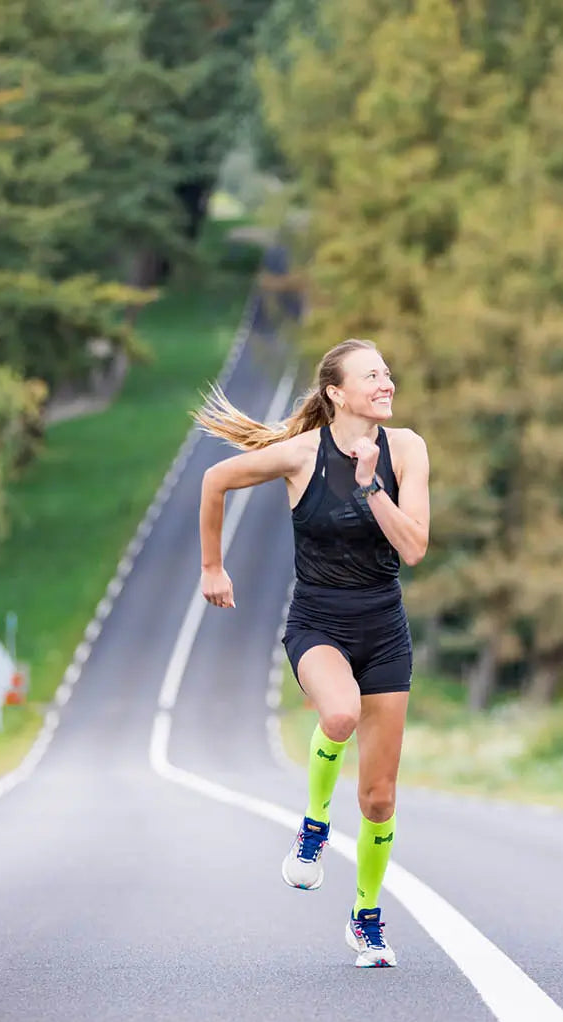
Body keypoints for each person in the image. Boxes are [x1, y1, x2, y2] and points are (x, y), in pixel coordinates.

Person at [194, 339, 430, 968]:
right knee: (340, 714)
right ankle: (315, 825)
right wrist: (212, 566)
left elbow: (414, 548)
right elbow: (216, 480)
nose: (386, 382)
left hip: (384, 627)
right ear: (336, 392)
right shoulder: (301, 454)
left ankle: (366, 919)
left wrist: (371, 487)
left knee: (380, 798)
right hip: (319, 622)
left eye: (387, 371)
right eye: (371, 375)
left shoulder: (407, 449)